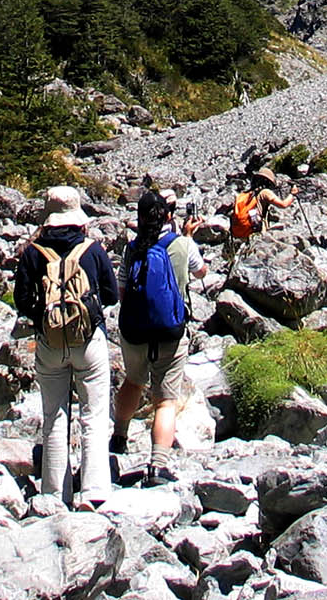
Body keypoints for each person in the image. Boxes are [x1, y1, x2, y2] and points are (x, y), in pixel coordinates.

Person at [13, 185, 118, 508]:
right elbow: (112, 295)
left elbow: (22, 300)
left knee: (54, 416)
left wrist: (44, 319)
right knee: (94, 414)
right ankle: (94, 490)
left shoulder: (32, 252)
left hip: (49, 342)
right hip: (88, 339)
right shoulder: (92, 249)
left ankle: (54, 493)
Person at [111, 190, 209, 485]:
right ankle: (157, 465)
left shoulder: (132, 249)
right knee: (165, 401)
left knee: (133, 380)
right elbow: (202, 273)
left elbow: (122, 292)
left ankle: (119, 437)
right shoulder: (182, 244)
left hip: (134, 331)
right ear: (169, 216)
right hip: (170, 331)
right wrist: (189, 236)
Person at [225, 169, 291, 260]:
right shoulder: (265, 192)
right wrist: (293, 194)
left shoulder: (244, 195)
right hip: (255, 232)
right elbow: (283, 204)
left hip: (238, 232)